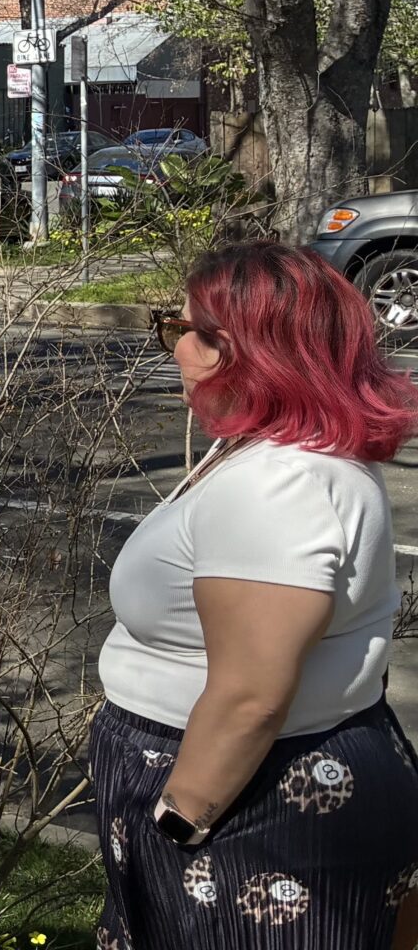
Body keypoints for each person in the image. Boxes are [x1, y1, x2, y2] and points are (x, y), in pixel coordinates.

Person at [95, 241, 418, 948]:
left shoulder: (280, 485)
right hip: (244, 786)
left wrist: (180, 817)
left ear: (242, 352)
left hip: (256, 803)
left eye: (182, 329)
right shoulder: (273, 452)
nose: (173, 347)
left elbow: (250, 696)